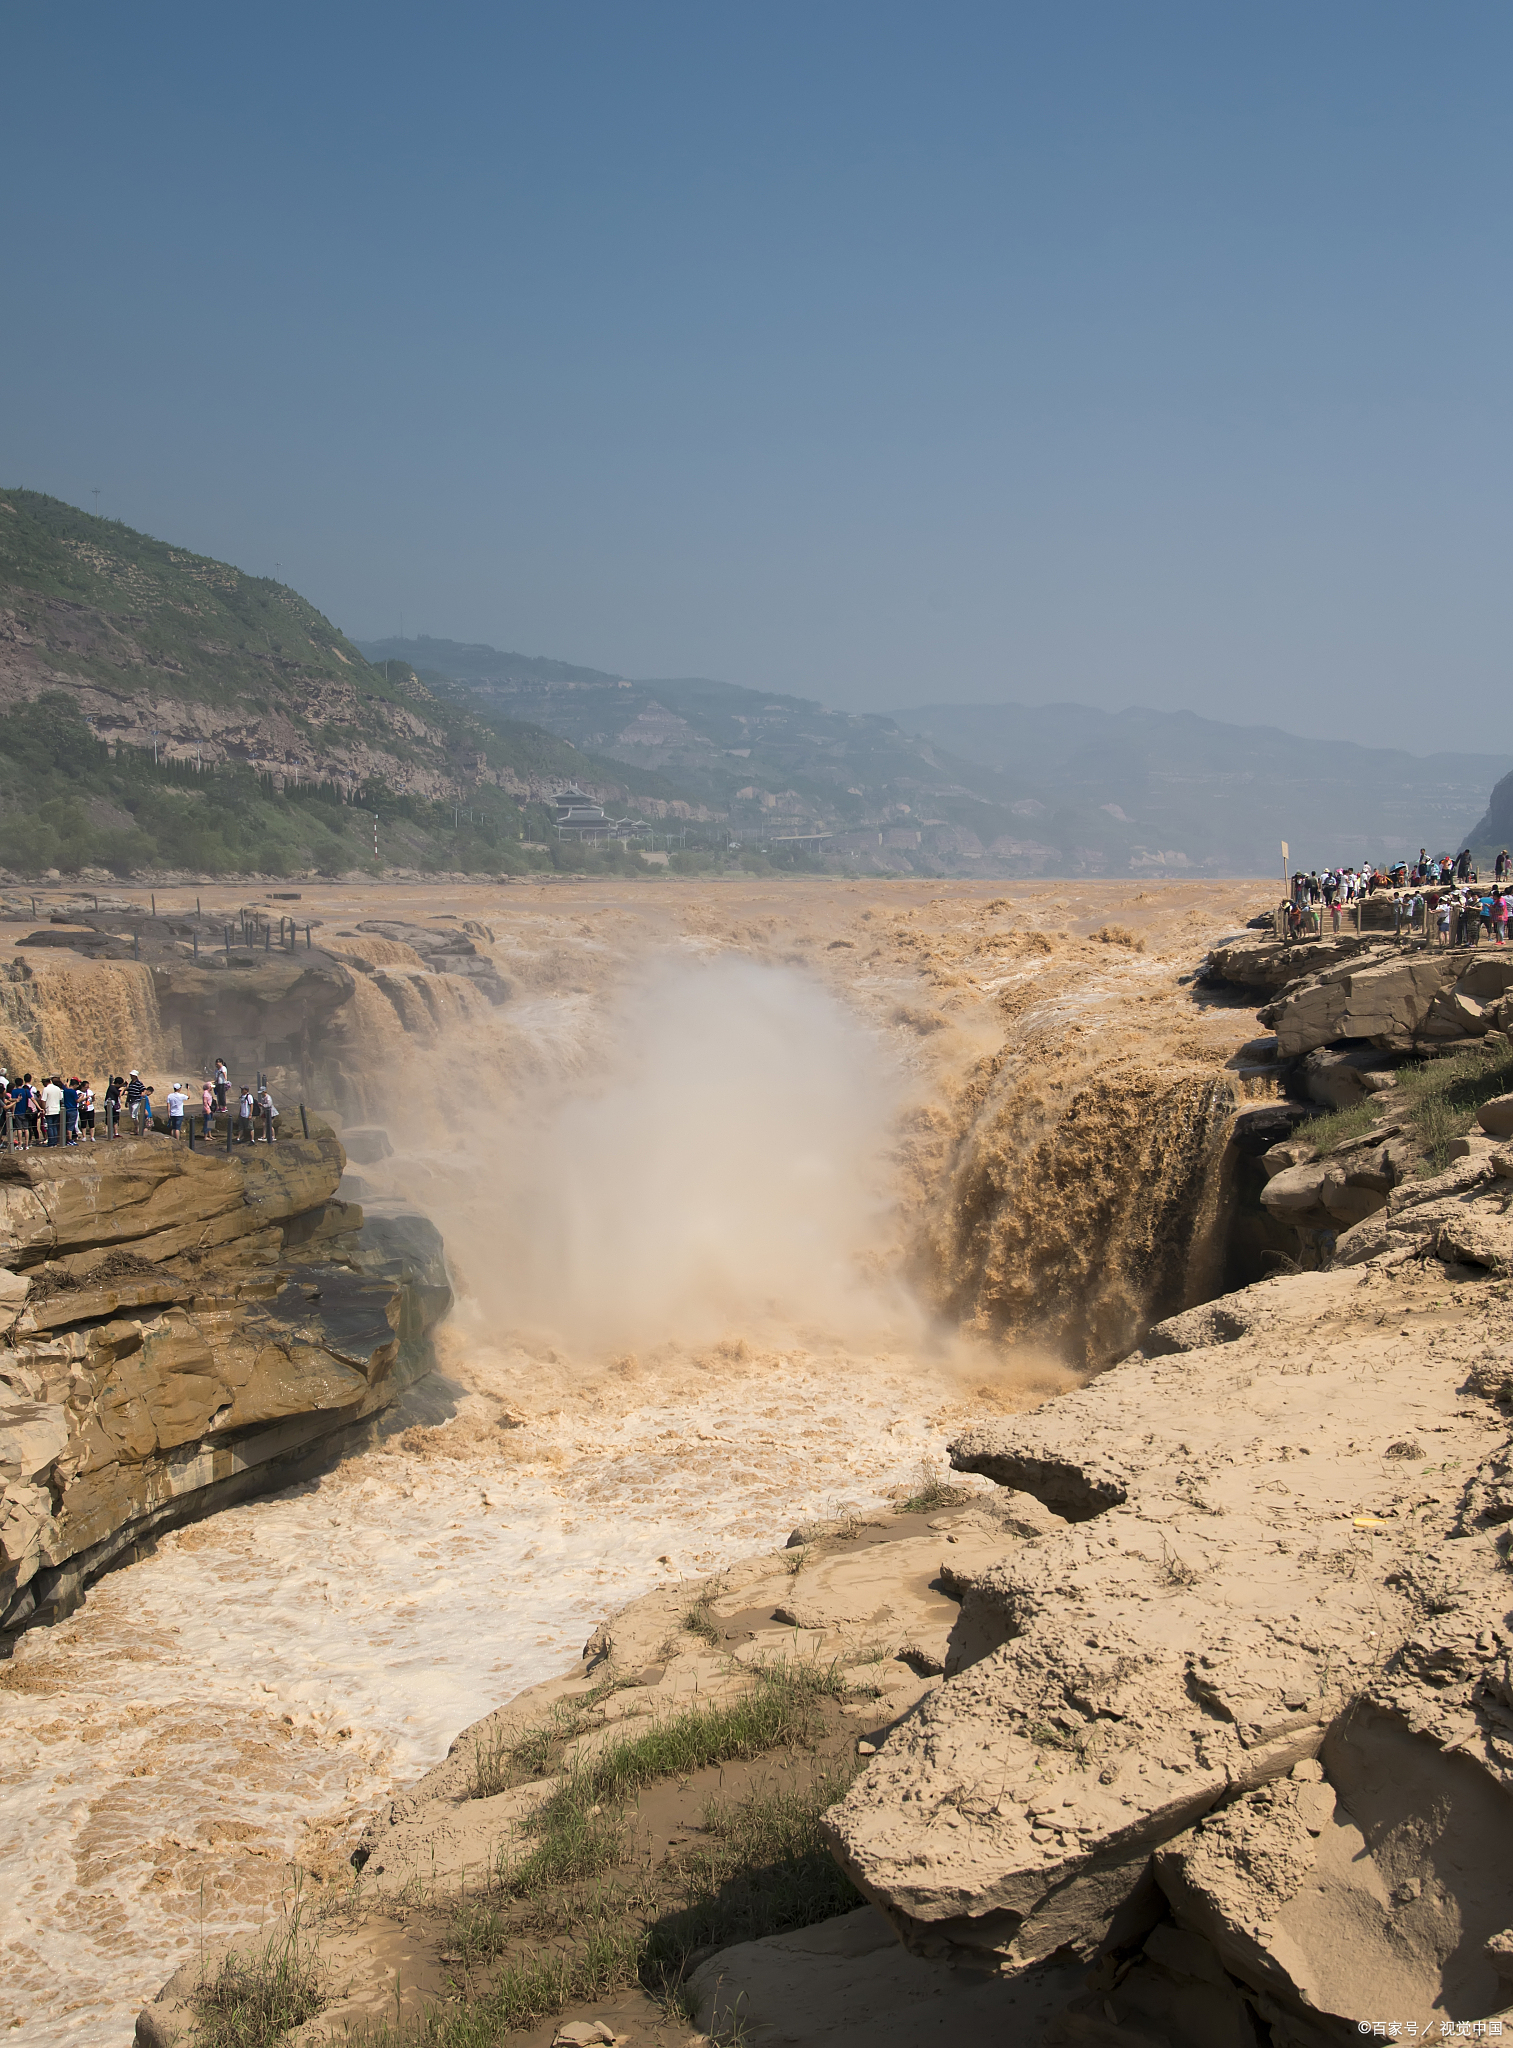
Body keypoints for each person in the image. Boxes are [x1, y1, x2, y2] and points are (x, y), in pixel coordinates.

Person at [41, 1075, 63, 1147]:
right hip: (57, 1109)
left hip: (49, 1110)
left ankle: (51, 1142)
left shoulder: (46, 1089)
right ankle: (55, 1142)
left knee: (50, 1127)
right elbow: (60, 1099)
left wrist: (43, 1109)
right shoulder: (57, 1088)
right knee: (54, 1126)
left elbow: (43, 1100)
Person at [126, 1069, 145, 1134]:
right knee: (132, 1115)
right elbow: (129, 1093)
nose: (131, 1076)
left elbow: (143, 1089)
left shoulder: (139, 1083)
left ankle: (137, 1128)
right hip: (131, 1101)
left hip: (136, 1101)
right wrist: (127, 1101)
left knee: (134, 1115)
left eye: (132, 1075)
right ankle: (136, 1128)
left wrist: (142, 1094)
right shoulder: (131, 1083)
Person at [62, 1075, 79, 1146]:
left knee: (67, 1125)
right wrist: (83, 1098)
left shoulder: (65, 1091)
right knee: (71, 1126)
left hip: (67, 1110)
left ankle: (67, 1139)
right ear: (74, 1085)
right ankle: (69, 1140)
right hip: (73, 1109)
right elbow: (77, 1100)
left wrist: (67, 1083)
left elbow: (65, 1086)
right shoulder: (73, 1092)